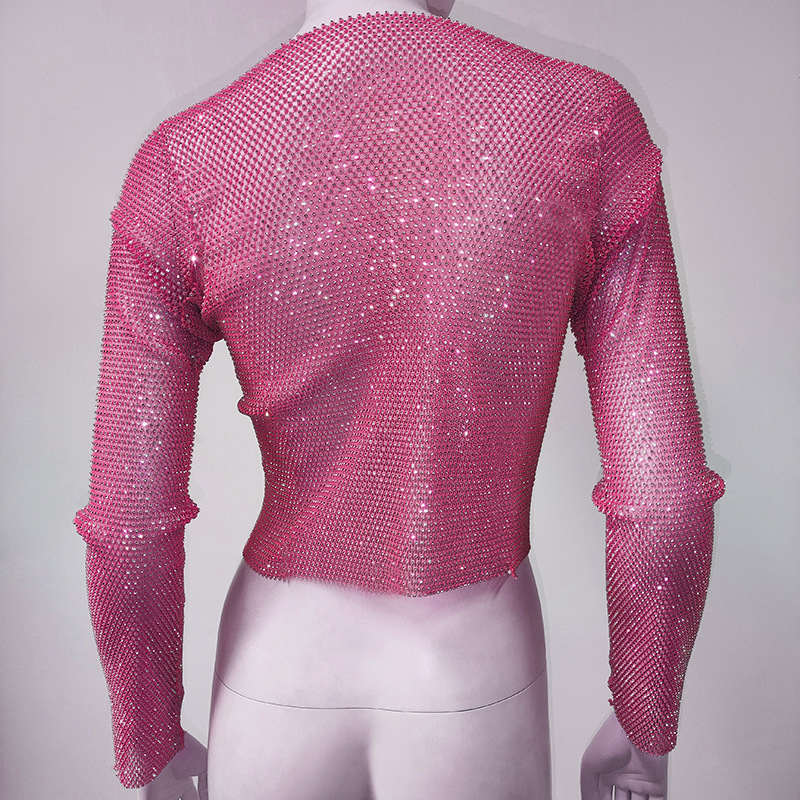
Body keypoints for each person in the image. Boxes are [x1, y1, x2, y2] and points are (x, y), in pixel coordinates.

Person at [75, 1, 724, 798]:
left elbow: (129, 526)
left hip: (275, 671)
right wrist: (644, 722)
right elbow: (662, 501)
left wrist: (150, 735)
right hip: (473, 670)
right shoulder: (587, 125)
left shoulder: (183, 161)